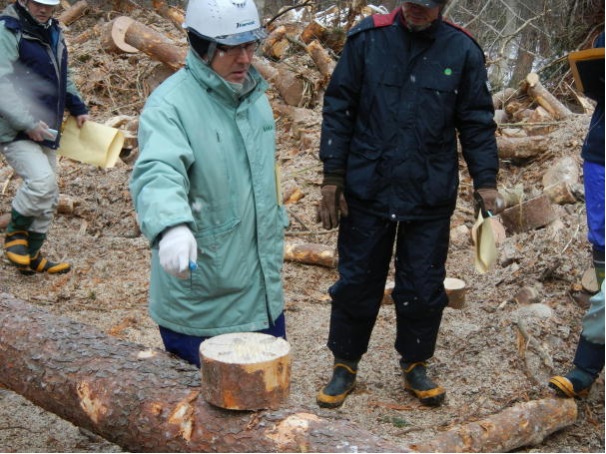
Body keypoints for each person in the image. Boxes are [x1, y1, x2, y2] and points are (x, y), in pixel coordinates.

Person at [316, 0, 504, 408]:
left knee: (422, 286)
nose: (419, 11)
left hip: (428, 191)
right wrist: (332, 177)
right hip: (368, 184)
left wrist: (485, 181)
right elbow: (339, 106)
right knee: (357, 280)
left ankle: (415, 362)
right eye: (413, 3)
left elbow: (476, 121)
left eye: (429, 5)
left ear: (445, 5)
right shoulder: (368, 39)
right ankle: (345, 363)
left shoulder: (462, 51)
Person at [129, 0, 287, 367]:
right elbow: (158, 170)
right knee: (201, 417)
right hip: (202, 304)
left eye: (250, 46)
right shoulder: (170, 106)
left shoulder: (254, 100)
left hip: (262, 292)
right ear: (203, 46)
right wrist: (171, 226)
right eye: (232, 48)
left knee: (264, 405)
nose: (245, 59)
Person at [0, 0, 89, 275]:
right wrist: (26, 123)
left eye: (49, 6)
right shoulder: (9, 29)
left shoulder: (52, 30)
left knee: (49, 196)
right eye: (38, 4)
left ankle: (31, 256)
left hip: (47, 126)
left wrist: (78, 106)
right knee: (41, 182)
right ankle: (15, 235)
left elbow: (63, 74)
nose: (43, 10)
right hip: (16, 128)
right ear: (25, 2)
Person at [549, 31, 604, 398]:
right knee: (604, 266)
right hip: (603, 155)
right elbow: (593, 79)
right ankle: (583, 371)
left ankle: (583, 369)